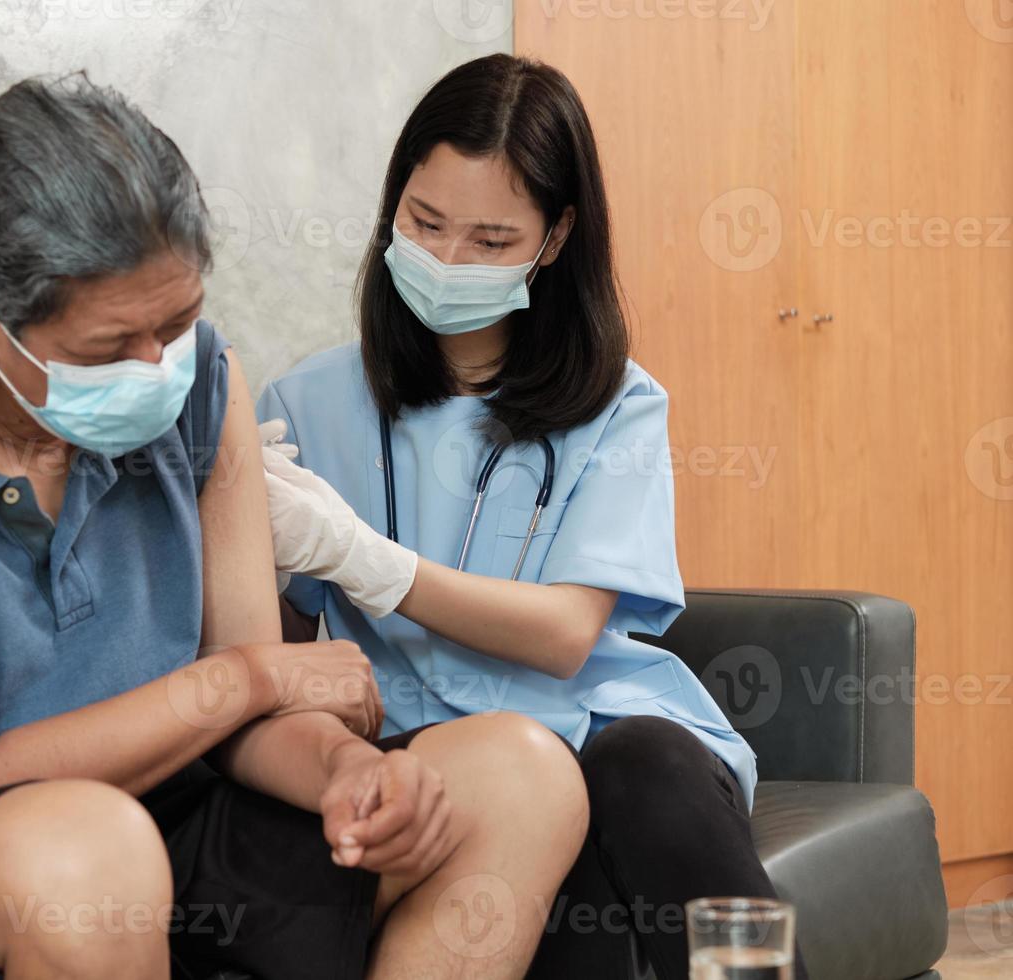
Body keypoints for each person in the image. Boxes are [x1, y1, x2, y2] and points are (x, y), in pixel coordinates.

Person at [0, 72, 590, 980]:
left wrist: (346, 775)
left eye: (179, 321)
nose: (159, 366)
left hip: (158, 814)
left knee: (521, 776)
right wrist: (239, 680)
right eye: (108, 347)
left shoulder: (202, 382)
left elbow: (256, 721)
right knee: (88, 846)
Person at [256, 53, 809, 980]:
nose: (446, 261)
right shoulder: (304, 402)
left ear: (554, 240)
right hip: (425, 755)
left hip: (596, 730)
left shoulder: (618, 407)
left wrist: (368, 561)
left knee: (638, 777)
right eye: (425, 224)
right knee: (522, 844)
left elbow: (564, 635)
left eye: (490, 240)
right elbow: (276, 649)